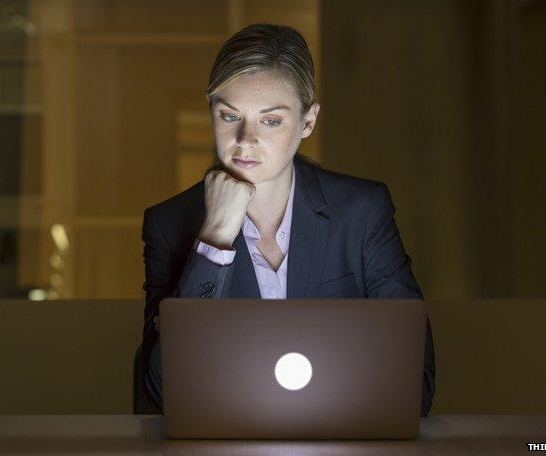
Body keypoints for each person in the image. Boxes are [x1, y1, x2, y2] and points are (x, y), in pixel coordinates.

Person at [141, 23, 435, 417]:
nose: (245, 140)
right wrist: (214, 241)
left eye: (271, 121)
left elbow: (416, 380)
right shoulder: (169, 223)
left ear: (308, 122)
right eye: (230, 116)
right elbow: (161, 393)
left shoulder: (362, 211)